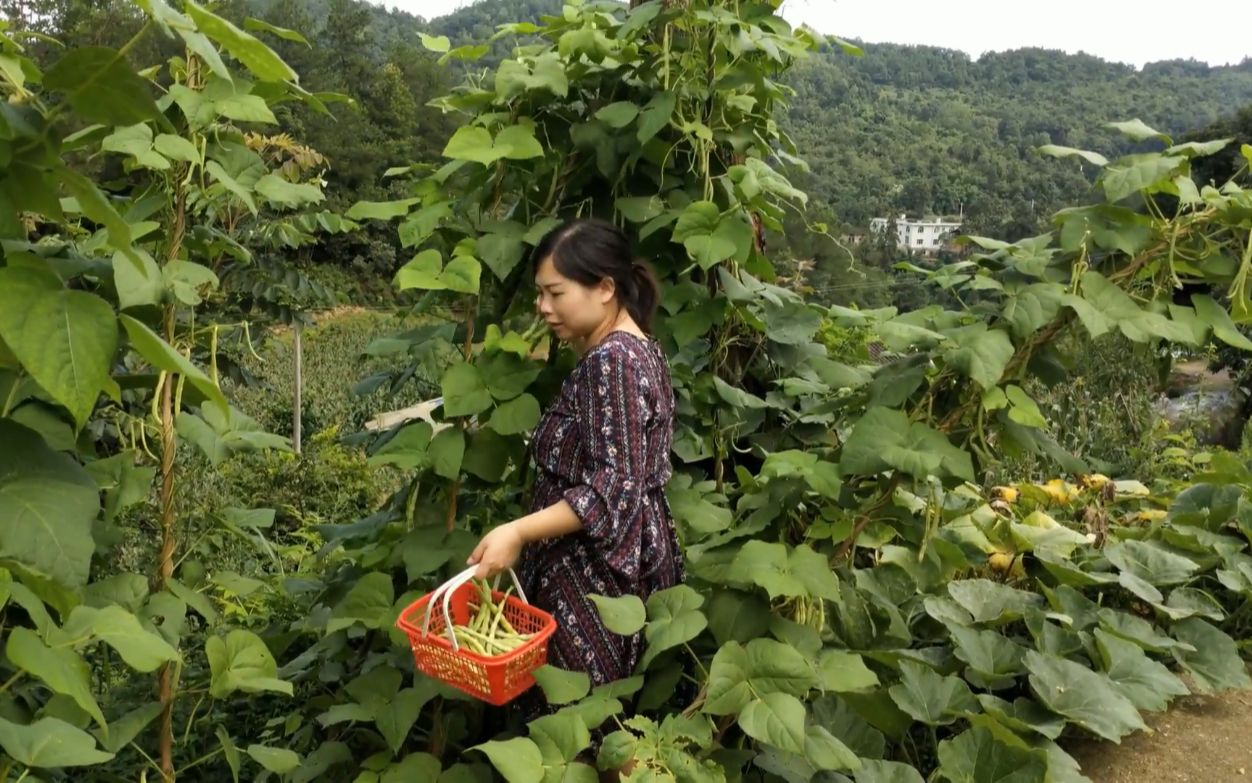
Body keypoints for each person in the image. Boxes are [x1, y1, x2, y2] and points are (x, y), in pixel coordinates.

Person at [466, 218, 685, 751]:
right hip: (618, 568)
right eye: (540, 293)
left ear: (605, 288)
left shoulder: (613, 364)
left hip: (594, 578)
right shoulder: (638, 350)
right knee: (605, 730)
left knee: (587, 735)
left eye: (555, 293)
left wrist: (517, 531)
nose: (543, 307)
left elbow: (611, 491)